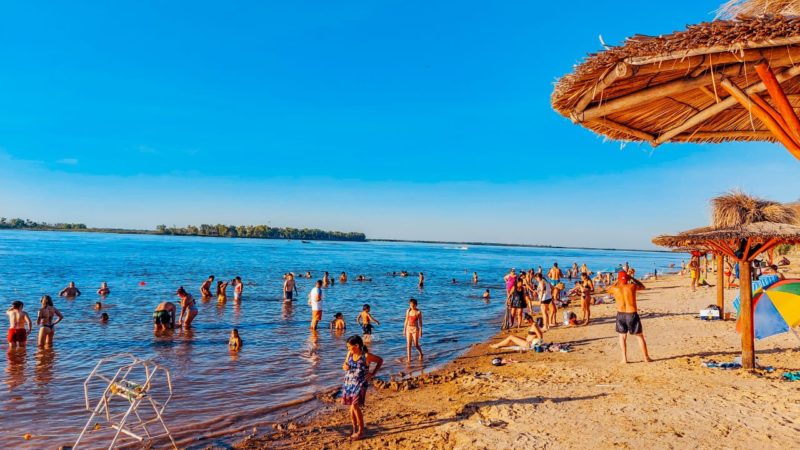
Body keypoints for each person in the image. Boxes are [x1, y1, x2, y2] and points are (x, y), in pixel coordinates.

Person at [341, 335, 383, 441]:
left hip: (360, 383)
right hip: (349, 383)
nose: (348, 349)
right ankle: (354, 428)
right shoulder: (349, 353)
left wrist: (372, 373)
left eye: (349, 346)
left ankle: (361, 431)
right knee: (351, 408)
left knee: (355, 406)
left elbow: (380, 360)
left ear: (357, 345)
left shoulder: (366, 356)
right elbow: (344, 365)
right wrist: (345, 366)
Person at [607, 271, 651, 363]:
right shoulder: (632, 286)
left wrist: (617, 281)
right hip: (631, 313)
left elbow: (608, 289)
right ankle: (646, 358)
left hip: (620, 314)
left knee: (622, 337)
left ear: (618, 279)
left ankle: (624, 359)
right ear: (627, 279)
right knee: (639, 336)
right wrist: (632, 278)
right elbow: (643, 287)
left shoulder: (615, 288)